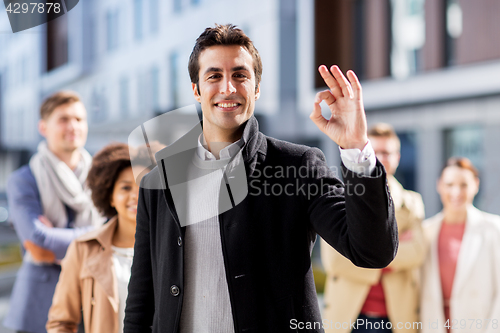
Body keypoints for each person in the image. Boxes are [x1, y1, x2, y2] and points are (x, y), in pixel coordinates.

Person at [124, 24, 398, 333]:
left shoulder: (298, 166)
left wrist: (355, 148)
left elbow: (372, 251)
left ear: (256, 88)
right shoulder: (160, 178)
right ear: (197, 90)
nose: (228, 88)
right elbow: (142, 296)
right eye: (214, 76)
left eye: (240, 75)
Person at [3, 91, 103, 333]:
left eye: (79, 119)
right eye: (63, 119)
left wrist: (54, 248)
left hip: (93, 299)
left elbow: (121, 231)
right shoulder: (22, 179)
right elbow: (38, 239)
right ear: (43, 127)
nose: (73, 126)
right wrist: (99, 237)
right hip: (39, 305)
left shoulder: (102, 176)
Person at [321, 123, 425, 333]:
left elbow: (416, 252)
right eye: (374, 152)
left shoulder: (412, 202)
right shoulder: (341, 196)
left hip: (395, 317)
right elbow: (334, 260)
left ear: (397, 157)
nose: (380, 158)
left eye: (386, 153)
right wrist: (389, 252)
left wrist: (361, 251)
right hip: (350, 316)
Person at [46, 143, 153, 333]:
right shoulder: (83, 249)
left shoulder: (173, 247)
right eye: (125, 188)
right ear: (110, 196)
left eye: (142, 186)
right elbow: (61, 322)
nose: (135, 195)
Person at [420, 157, 500, 333]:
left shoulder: (494, 229)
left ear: (476, 185)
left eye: (463, 185)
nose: (456, 192)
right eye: (449, 185)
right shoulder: (425, 231)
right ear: (439, 185)